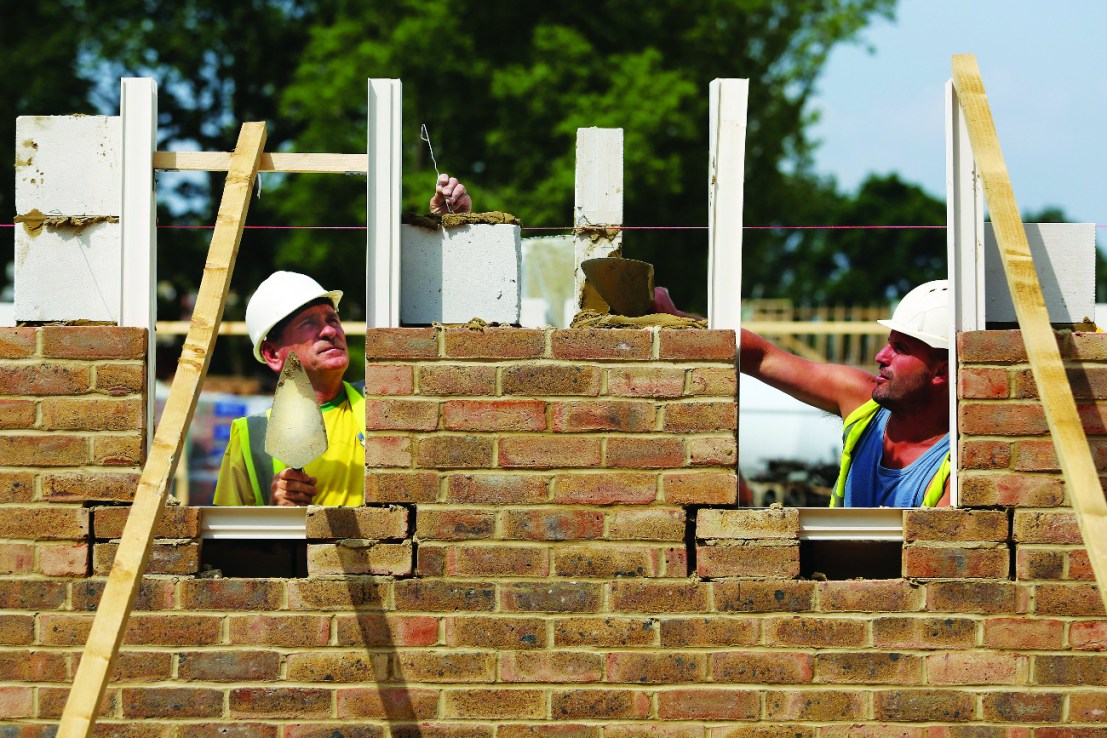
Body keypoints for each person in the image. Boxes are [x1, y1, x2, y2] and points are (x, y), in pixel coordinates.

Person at [213, 175, 471, 506]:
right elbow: (230, 549)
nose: (330, 330)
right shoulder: (250, 438)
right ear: (271, 353)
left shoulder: (382, 404)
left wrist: (445, 230)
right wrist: (273, 517)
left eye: (332, 319)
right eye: (309, 323)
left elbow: (437, 350)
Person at [739, 280, 951, 507]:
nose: (881, 356)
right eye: (889, 343)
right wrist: (700, 329)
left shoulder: (959, 466)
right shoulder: (863, 401)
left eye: (900, 349)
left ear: (941, 370)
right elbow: (762, 358)